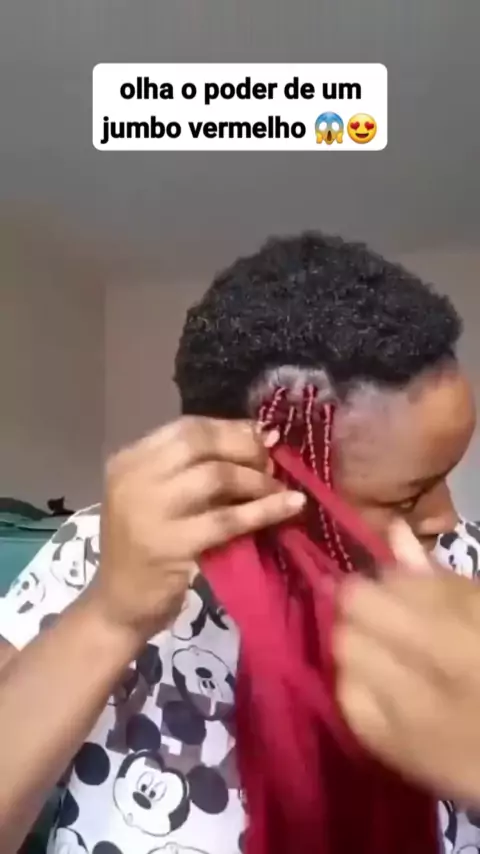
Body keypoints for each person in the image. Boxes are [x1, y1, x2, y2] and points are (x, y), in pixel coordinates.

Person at [0, 231, 479, 854]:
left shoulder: (465, 572)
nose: (449, 521)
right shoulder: (101, 553)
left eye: (448, 476)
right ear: (265, 474)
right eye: (408, 498)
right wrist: (110, 615)